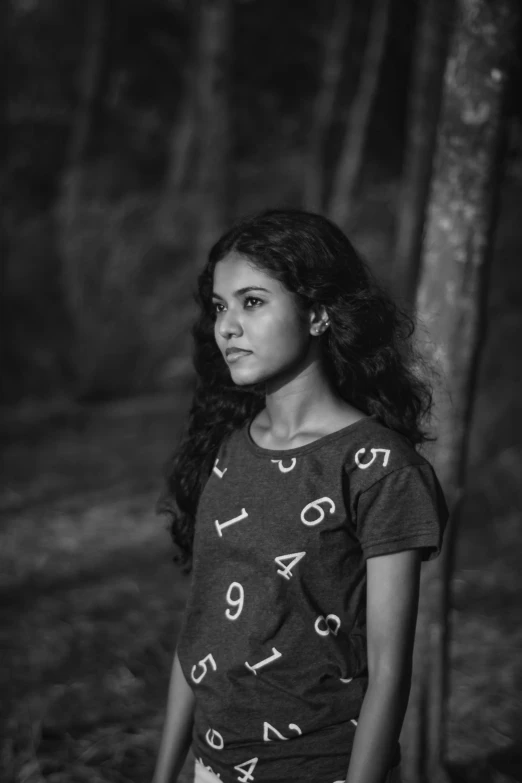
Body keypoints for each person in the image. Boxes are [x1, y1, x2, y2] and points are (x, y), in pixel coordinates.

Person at [152, 209, 448, 783]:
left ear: (317, 314)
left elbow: (390, 668)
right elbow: (201, 633)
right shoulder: (227, 453)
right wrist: (166, 774)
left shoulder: (379, 467)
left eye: (252, 302)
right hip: (212, 768)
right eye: (220, 306)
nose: (227, 327)